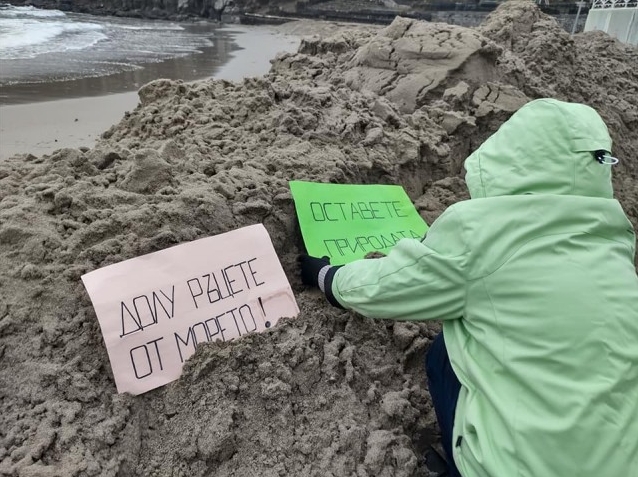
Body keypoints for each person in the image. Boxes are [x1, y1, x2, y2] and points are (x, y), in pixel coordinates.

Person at [299, 98, 638, 477]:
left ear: (513, 153)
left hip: (518, 468)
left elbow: (389, 285)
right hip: (620, 462)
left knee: (445, 351)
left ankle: (463, 465)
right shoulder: (614, 237)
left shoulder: (485, 229)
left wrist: (328, 278)